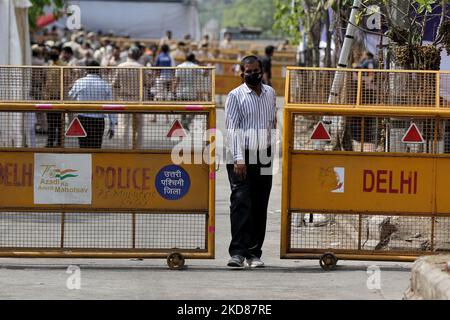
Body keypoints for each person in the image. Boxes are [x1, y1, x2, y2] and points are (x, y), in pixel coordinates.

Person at [225, 55, 277, 269]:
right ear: (242, 74)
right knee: (241, 204)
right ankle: (237, 252)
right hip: (241, 157)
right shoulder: (235, 96)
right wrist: (238, 159)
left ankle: (254, 253)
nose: (253, 74)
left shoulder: (270, 94)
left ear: (262, 71)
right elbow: (231, 129)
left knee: (259, 204)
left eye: (256, 71)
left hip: (263, 155)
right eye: (248, 72)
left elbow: (272, 123)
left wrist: (272, 150)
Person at [68, 60, 117, 148]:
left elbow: (70, 97)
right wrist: (112, 125)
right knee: (96, 147)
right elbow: (111, 106)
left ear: (86, 70)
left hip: (82, 119)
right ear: (98, 70)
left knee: (83, 147)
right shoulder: (105, 84)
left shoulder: (79, 82)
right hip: (98, 121)